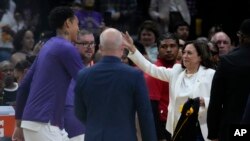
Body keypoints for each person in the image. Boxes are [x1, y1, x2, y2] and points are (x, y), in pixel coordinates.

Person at [123, 32, 215, 141]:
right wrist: (133, 49)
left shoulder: (211, 74)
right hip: (178, 128)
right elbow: (150, 68)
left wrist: (204, 101)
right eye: (184, 52)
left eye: (189, 53)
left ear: (200, 57)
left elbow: (222, 102)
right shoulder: (176, 71)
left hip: (200, 129)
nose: (184, 56)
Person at [12, 6, 83, 141]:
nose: (78, 29)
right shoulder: (66, 47)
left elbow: (24, 85)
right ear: (68, 24)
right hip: (44, 124)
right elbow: (86, 81)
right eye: (77, 24)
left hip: (40, 124)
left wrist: (19, 124)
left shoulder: (47, 46)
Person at [74, 28, 157, 141]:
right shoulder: (135, 75)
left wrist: (94, 125)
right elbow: (145, 115)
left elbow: (79, 112)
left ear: (100, 48)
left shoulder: (83, 75)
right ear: (122, 49)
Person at [207, 19, 250, 141]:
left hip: (236, 128)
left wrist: (213, 134)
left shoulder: (228, 61)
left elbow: (216, 101)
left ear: (240, 37)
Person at [145, 33, 179, 141]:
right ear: (158, 50)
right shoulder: (155, 72)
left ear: (178, 48)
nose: (168, 50)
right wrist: (160, 137)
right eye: (164, 46)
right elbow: (152, 108)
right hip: (164, 126)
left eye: (172, 46)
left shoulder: (181, 67)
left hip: (180, 122)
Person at [64, 29, 96, 141]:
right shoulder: (64, 70)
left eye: (92, 43)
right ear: (74, 45)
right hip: (69, 131)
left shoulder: (99, 71)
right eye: (84, 43)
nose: (89, 46)